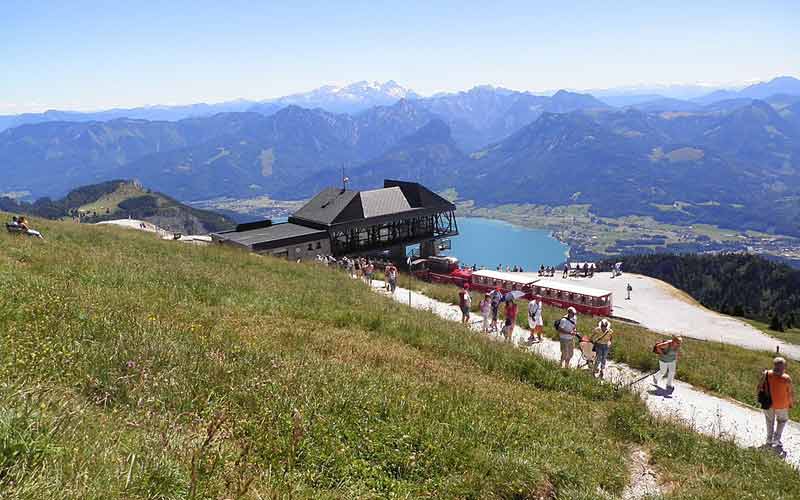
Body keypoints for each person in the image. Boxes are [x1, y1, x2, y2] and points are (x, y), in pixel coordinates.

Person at [758, 357, 794, 452]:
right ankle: (777, 439)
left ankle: (769, 440)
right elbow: (790, 393)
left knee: (769, 421)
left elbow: (759, 387)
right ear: (784, 367)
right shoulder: (786, 378)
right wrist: (790, 403)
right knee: (782, 421)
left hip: (768, 403)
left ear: (774, 365)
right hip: (782, 405)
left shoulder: (766, 374)